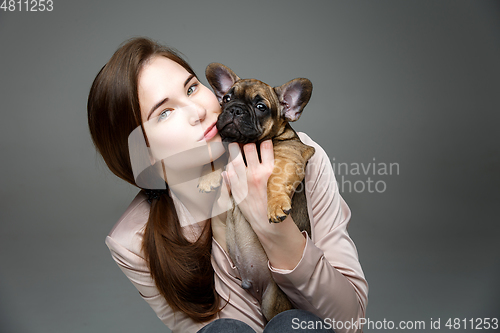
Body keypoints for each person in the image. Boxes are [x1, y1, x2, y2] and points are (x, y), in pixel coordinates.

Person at [87, 37, 368, 333]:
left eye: (192, 88)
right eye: (164, 113)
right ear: (143, 153)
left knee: (294, 325)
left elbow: (350, 321)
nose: (196, 111)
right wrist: (222, 217)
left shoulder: (299, 160)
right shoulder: (133, 241)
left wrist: (274, 229)